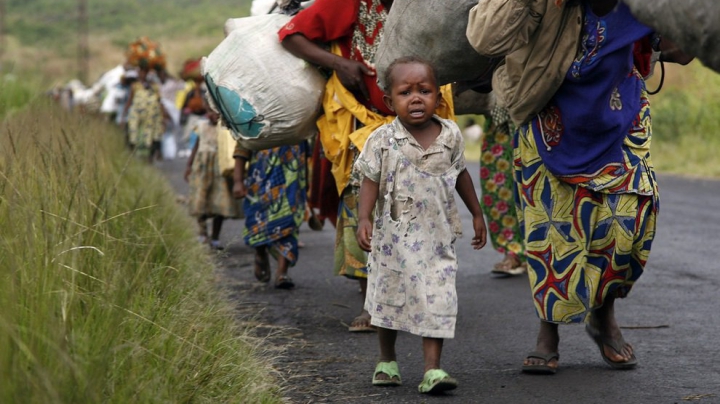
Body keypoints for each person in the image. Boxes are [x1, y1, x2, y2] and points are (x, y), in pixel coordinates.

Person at [467, 0, 693, 373]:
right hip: (548, 115)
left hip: (621, 115)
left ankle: (603, 313)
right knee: (553, 232)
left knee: (625, 226)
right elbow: (483, 38)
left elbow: (683, 50)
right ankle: (548, 333)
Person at [280, 0, 456, 332]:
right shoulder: (349, 2)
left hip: (420, 126)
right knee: (364, 209)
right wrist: (339, 63)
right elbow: (291, 35)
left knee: (420, 210)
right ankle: (370, 303)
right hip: (362, 126)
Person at [355, 57, 487, 394]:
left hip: (437, 241)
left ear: (438, 98)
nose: (416, 98)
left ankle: (433, 370)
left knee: (440, 299)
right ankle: (387, 360)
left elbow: (461, 175)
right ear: (389, 101)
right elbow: (370, 179)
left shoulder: (451, 135)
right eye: (406, 92)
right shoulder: (382, 139)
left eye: (425, 91)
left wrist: (476, 213)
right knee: (388, 299)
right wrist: (364, 218)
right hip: (392, 242)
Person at [232, 141, 309, 289]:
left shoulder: (299, 118)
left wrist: (306, 182)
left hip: (291, 179)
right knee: (258, 221)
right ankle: (260, 252)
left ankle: (282, 272)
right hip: (260, 179)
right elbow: (242, 146)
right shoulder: (252, 118)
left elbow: (306, 150)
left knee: (289, 222)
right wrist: (238, 180)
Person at [480, 106, 527, 276]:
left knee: (540, 189)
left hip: (540, 114)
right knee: (498, 189)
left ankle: (543, 253)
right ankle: (513, 251)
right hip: (501, 123)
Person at [184, 111, 241, 250]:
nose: (215, 115)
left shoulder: (226, 128)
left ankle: (215, 236)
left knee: (220, 202)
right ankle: (202, 233)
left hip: (220, 170)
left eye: (218, 112)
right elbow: (196, 147)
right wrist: (189, 166)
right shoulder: (201, 126)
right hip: (202, 169)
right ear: (206, 111)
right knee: (200, 200)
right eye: (211, 111)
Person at [124, 65, 168, 163]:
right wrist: (124, 116)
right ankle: (133, 157)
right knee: (133, 133)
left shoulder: (154, 86)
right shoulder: (135, 86)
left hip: (151, 114)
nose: (143, 74)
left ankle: (150, 158)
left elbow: (159, 101)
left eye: (145, 72)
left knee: (152, 135)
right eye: (141, 72)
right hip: (137, 113)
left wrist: (164, 116)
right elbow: (130, 100)